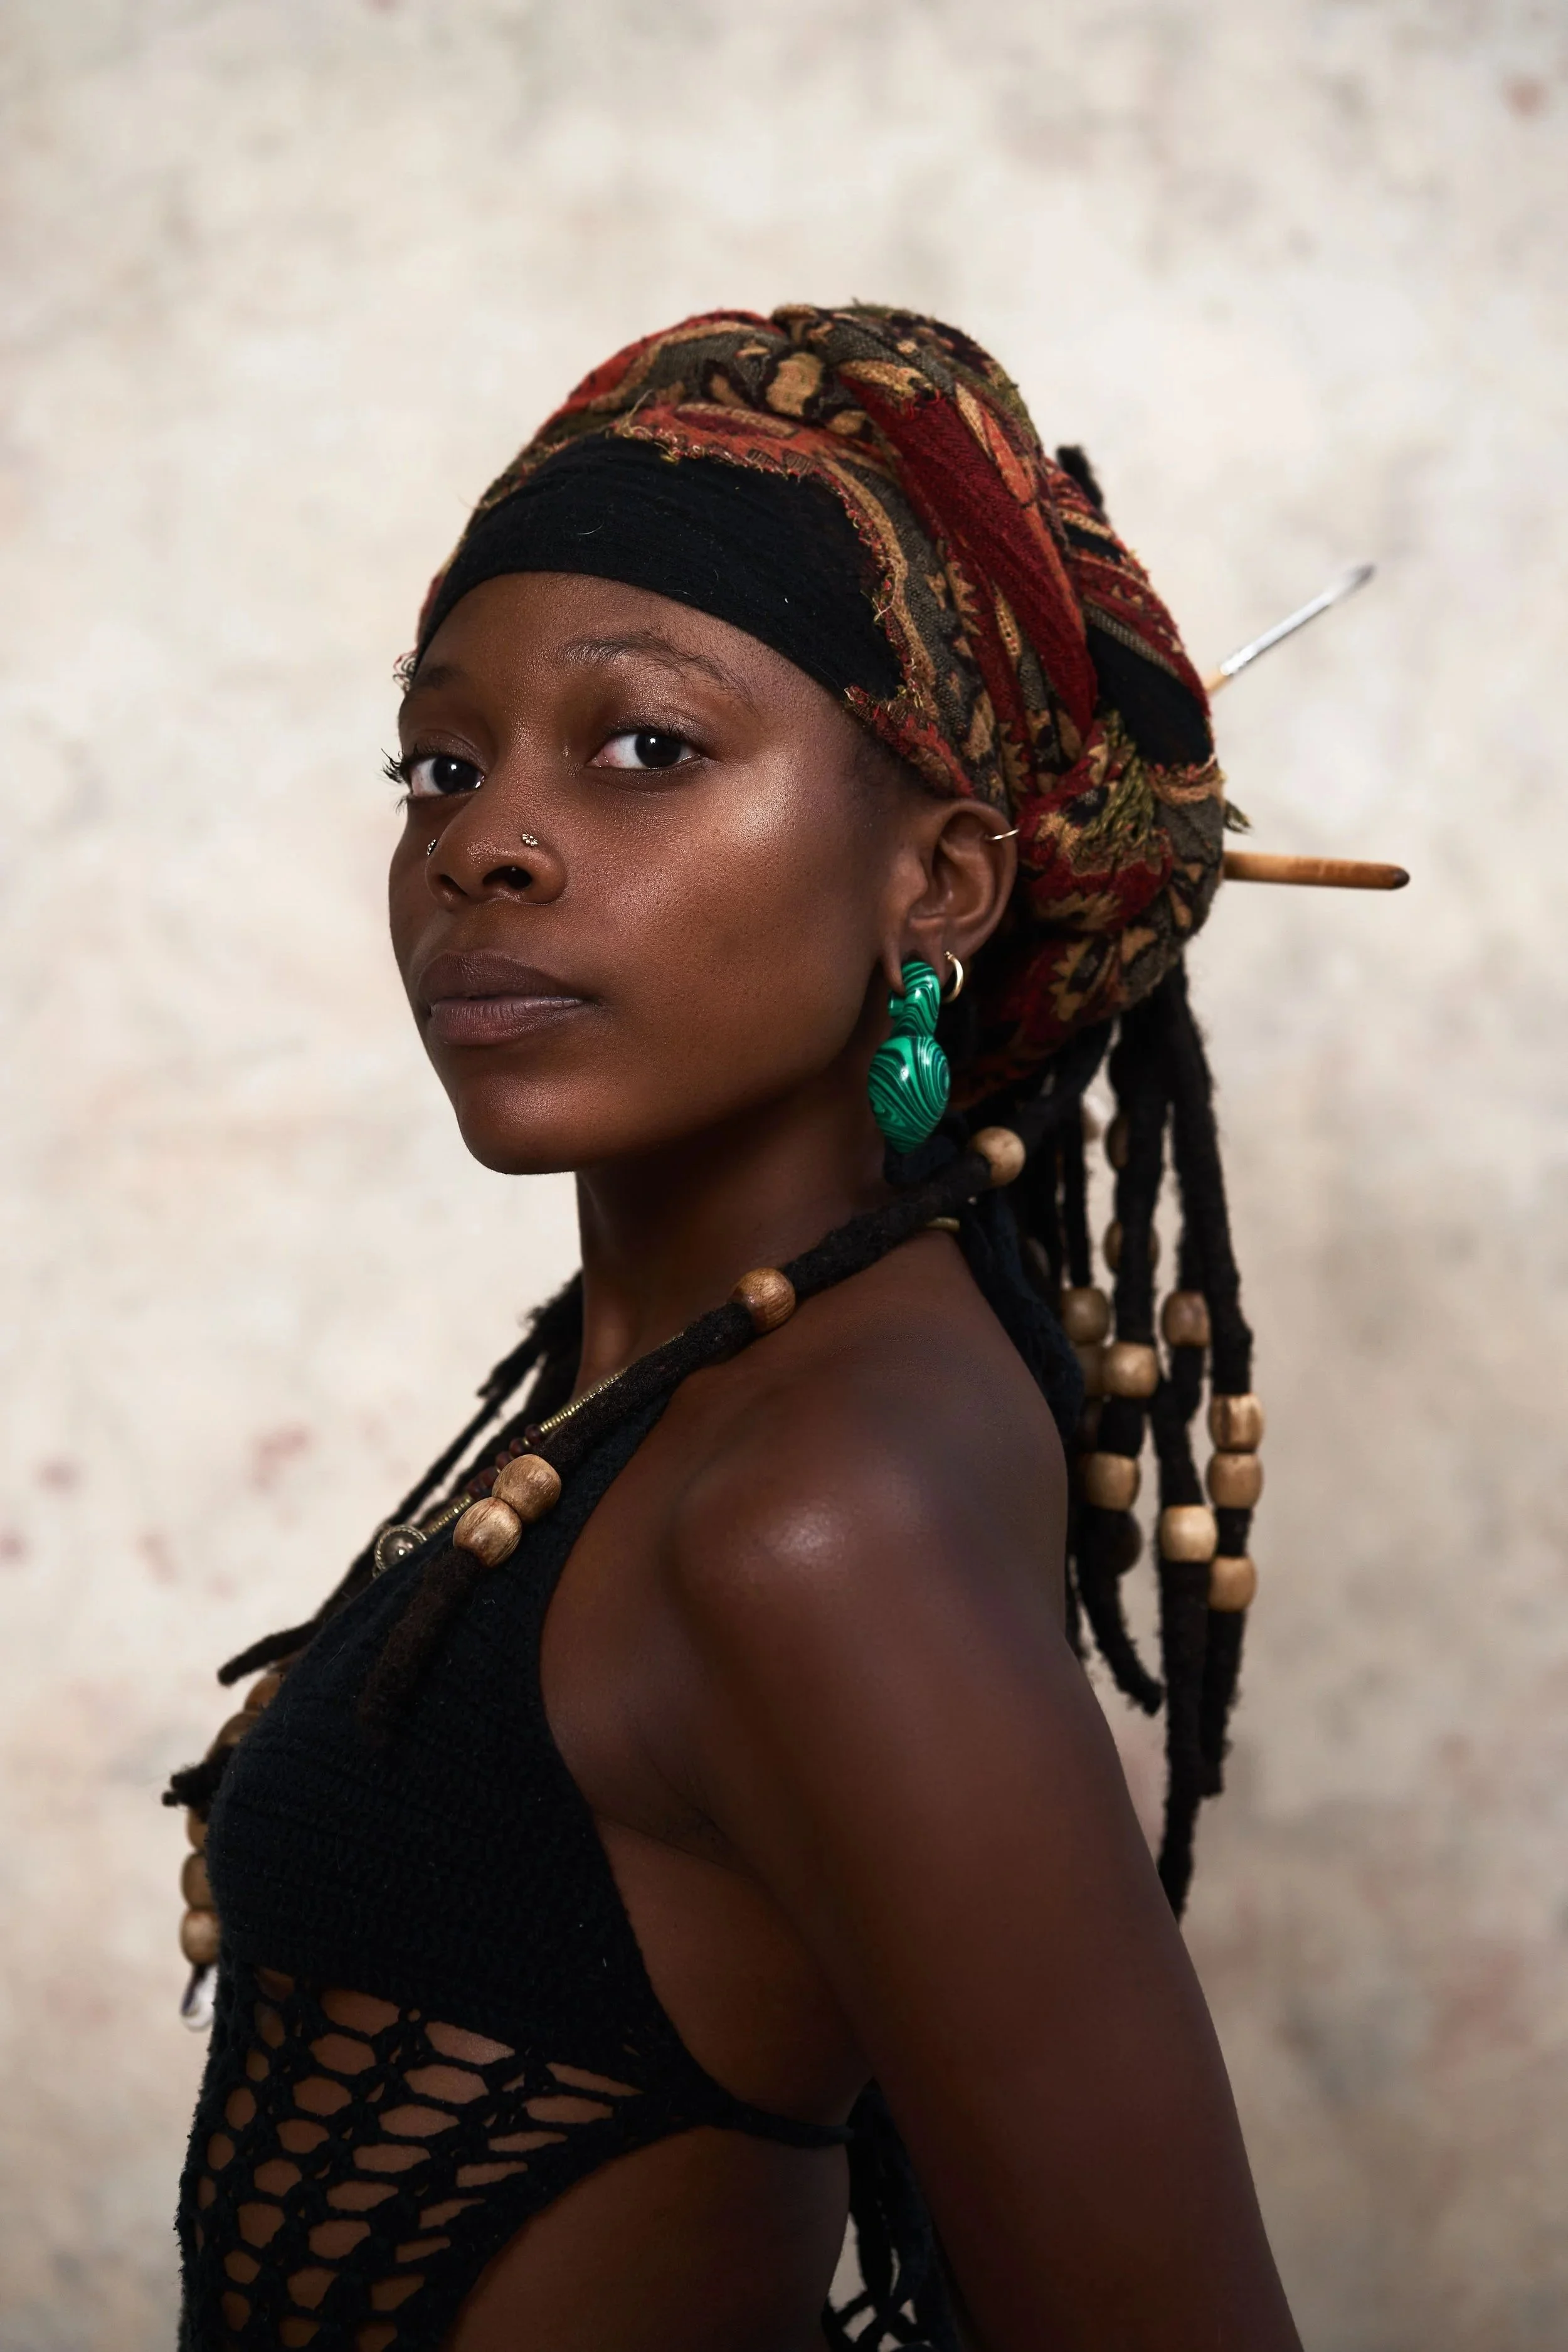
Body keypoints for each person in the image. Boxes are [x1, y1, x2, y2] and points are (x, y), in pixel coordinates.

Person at [166, 306, 1298, 2352]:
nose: (477, 845)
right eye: (440, 759)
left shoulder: (815, 1500)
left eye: (645, 748)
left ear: (939, 880)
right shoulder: (682, 1390)